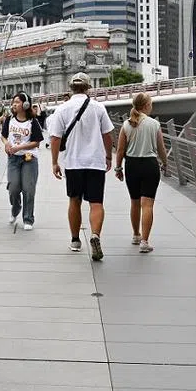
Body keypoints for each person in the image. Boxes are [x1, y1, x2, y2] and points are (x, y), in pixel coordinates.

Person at [50, 73, 114, 260]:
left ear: (71, 88)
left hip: (73, 162)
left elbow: (55, 138)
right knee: (96, 203)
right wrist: (108, 156)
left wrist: (54, 162)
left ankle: (76, 239)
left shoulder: (62, 109)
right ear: (88, 88)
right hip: (95, 161)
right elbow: (108, 135)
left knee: (74, 200)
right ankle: (95, 235)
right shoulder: (98, 108)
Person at [113, 92, 168, 253]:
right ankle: (145, 241)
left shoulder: (126, 124)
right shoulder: (154, 124)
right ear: (145, 106)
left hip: (132, 165)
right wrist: (165, 163)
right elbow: (161, 148)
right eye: (150, 104)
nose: (151, 107)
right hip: (150, 165)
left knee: (135, 202)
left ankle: (136, 235)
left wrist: (118, 168)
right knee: (148, 204)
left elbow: (121, 149)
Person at [2, 92, 44, 230]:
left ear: (25, 105)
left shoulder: (33, 122)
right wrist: (7, 143)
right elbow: (3, 136)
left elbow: (36, 142)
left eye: (17, 102)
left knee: (29, 189)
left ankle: (28, 219)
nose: (14, 104)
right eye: (13, 102)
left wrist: (20, 147)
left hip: (29, 158)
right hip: (13, 158)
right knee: (13, 188)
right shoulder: (9, 119)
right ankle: (16, 208)